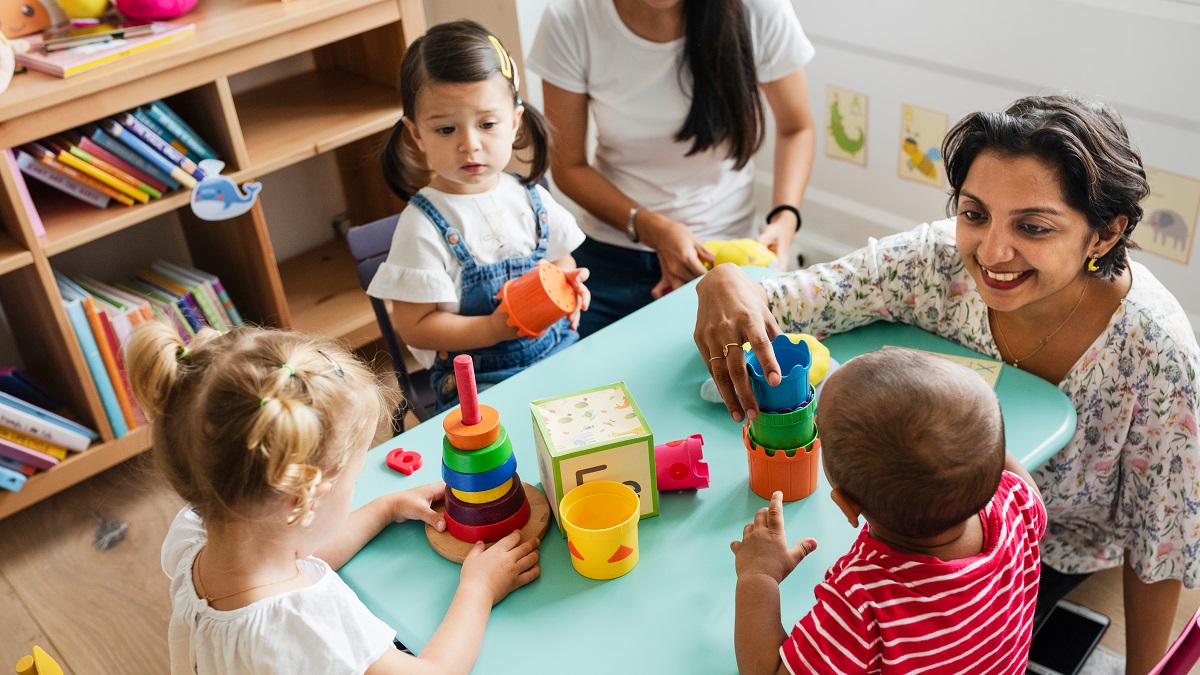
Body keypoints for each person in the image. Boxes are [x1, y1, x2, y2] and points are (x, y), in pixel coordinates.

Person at [696, 93, 1200, 673]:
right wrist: (728, 281)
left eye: (1033, 226)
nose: (991, 252)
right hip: (933, 519)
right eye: (974, 213)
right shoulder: (934, 262)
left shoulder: (1157, 350)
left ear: (1104, 235)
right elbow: (794, 301)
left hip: (1052, 550)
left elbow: (1160, 539)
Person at [127, 322, 542, 674]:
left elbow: (299, 558)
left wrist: (385, 508)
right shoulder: (309, 626)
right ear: (303, 501)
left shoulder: (199, 537)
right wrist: (479, 588)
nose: (358, 487)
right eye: (355, 478)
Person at [733, 349, 1047, 674]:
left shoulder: (862, 604)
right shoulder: (1017, 504)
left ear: (847, 505)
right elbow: (1000, 463)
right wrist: (965, 432)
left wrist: (759, 576)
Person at [527, 0, 817, 336]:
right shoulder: (572, 17)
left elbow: (797, 128)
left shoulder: (759, 10)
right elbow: (568, 166)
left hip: (725, 255)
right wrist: (652, 228)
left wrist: (785, 217)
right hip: (613, 251)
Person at [371, 20, 590, 411]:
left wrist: (566, 283)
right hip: (481, 383)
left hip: (559, 350)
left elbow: (559, 258)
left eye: (487, 124)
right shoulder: (423, 225)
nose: (469, 145)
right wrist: (492, 329)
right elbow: (415, 327)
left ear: (514, 122)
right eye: (445, 129)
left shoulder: (530, 197)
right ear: (416, 134)